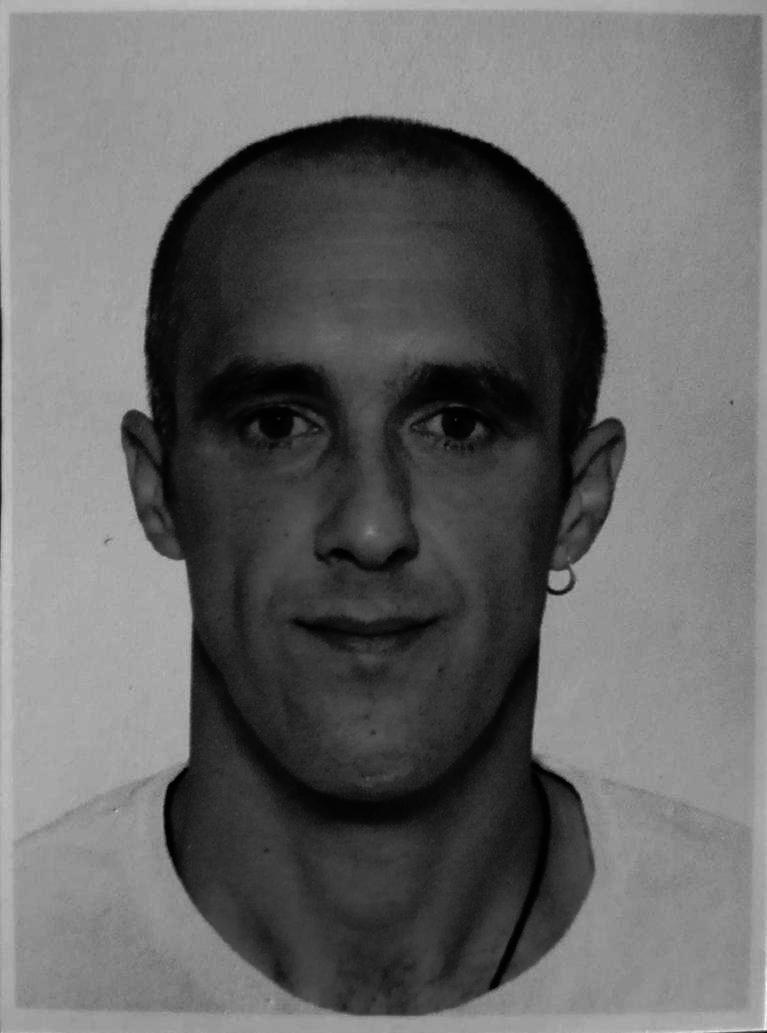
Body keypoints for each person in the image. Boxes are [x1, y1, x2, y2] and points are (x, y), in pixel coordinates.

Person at [15, 117, 751, 1016]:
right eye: (277, 424)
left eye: (456, 426)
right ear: (157, 487)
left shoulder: (739, 947)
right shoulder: (24, 960)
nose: (370, 527)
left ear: (578, 500)